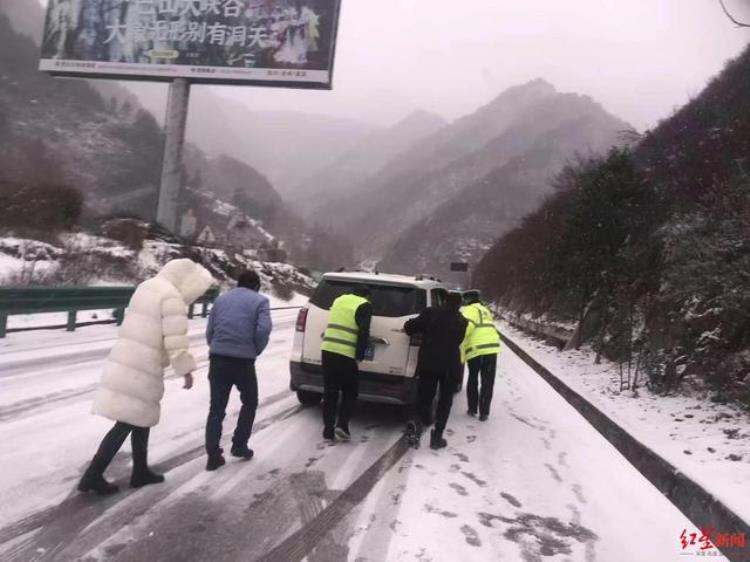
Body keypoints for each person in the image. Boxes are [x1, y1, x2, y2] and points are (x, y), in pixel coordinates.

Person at [78, 259, 214, 495]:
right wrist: (186, 371)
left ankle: (140, 471)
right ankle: (93, 475)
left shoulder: (147, 286)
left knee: (141, 418)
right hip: (143, 368)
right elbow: (175, 339)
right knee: (126, 422)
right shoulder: (172, 297)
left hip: (126, 360)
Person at [204, 269, 272, 471]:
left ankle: (213, 455)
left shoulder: (221, 300)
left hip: (218, 358)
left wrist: (216, 347)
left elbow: (210, 330)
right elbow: (263, 329)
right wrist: (255, 349)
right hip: (243, 361)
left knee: (216, 407)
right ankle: (239, 445)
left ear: (237, 283)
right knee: (250, 401)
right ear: (257, 285)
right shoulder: (261, 302)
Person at [404, 291, 468, 449]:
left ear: (443, 301)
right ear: (459, 305)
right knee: (445, 402)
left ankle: (416, 423)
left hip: (429, 362)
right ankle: (437, 437)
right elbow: (458, 340)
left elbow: (410, 328)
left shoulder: (431, 313)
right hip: (450, 365)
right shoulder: (462, 321)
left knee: (424, 396)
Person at [320, 286, 372, 442]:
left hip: (328, 350)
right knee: (350, 391)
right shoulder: (365, 305)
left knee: (330, 392)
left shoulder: (339, 300)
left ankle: (328, 430)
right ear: (367, 296)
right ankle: (342, 426)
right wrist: (360, 355)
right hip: (346, 354)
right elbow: (364, 331)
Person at [462, 290, 502, 421]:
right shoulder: (485, 310)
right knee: (488, 381)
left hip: (476, 350)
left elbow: (466, 329)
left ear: (467, 300)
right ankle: (484, 412)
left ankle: (472, 409)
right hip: (491, 349)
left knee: (473, 378)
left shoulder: (469, 310)